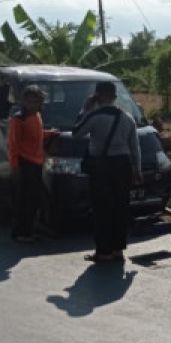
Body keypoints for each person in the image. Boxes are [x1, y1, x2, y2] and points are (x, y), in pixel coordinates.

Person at [73, 81, 142, 263]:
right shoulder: (127, 117)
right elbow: (135, 147)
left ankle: (103, 251)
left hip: (102, 166)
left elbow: (76, 133)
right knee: (120, 207)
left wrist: (85, 109)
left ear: (97, 96)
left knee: (102, 209)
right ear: (115, 97)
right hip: (123, 165)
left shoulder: (94, 116)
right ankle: (118, 250)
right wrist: (138, 169)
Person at [8, 85, 57, 242]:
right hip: (25, 163)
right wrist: (15, 168)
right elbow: (13, 145)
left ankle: (28, 230)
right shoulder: (18, 119)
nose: (32, 104)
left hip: (36, 162)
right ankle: (21, 233)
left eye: (35, 101)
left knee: (34, 200)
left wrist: (50, 133)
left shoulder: (36, 116)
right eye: (29, 101)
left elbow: (36, 135)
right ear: (24, 101)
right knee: (24, 200)